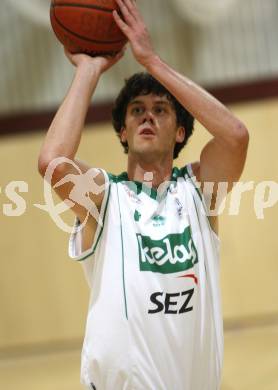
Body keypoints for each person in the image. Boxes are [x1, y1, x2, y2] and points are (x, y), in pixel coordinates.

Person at [38, 0, 249, 389]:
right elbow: (53, 161)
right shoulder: (105, 198)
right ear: (122, 131)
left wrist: (151, 61)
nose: (147, 116)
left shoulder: (198, 193)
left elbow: (235, 136)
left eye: (160, 110)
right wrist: (88, 69)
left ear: (181, 132)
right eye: (136, 110)